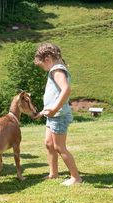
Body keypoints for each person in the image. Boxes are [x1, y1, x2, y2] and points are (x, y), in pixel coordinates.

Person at [33, 43, 82, 186]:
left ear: (47, 58)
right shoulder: (56, 69)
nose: (44, 69)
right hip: (52, 114)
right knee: (49, 144)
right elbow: (54, 95)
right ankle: (53, 173)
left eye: (42, 65)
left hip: (58, 115)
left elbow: (66, 90)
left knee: (60, 146)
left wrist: (54, 110)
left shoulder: (57, 70)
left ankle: (76, 177)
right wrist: (44, 112)